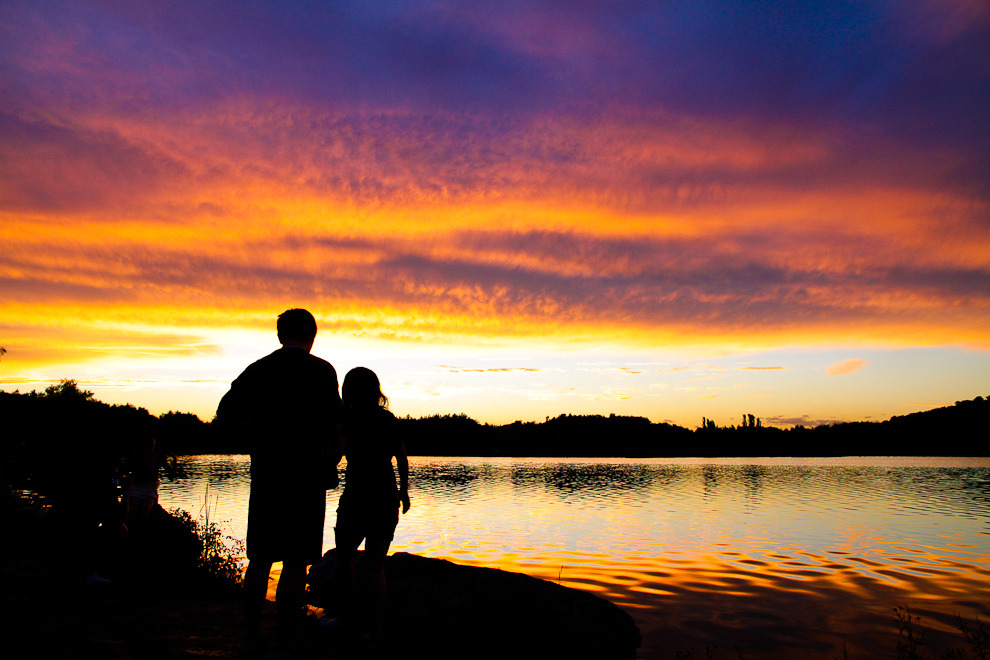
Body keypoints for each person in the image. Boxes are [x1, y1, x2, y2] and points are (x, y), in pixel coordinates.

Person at [216, 308, 343, 657]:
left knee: (259, 561)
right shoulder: (322, 371)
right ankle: (285, 641)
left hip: (268, 479)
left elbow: (224, 415)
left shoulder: (259, 369)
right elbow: (336, 426)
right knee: (295, 563)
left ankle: (251, 637)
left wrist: (256, 437)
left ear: (279, 335)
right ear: (312, 335)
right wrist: (330, 460)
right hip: (307, 479)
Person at [331, 367, 410, 643]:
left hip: (356, 498)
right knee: (375, 566)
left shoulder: (348, 419)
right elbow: (401, 458)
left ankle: (345, 619)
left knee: (345, 560)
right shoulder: (388, 419)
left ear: (348, 391)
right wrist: (405, 492)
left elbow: (337, 453)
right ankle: (375, 629)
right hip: (385, 499)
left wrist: (323, 471)